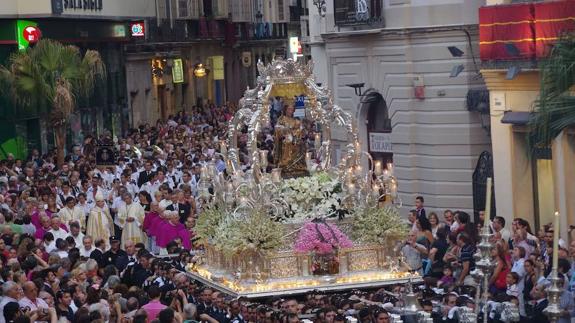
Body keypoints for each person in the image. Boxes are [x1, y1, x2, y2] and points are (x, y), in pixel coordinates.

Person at [273, 104, 309, 179]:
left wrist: (299, 131)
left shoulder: (295, 120)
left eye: (292, 109)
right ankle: (286, 164)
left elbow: (300, 129)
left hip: (295, 138)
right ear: (285, 110)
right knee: (288, 142)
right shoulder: (281, 119)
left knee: (301, 144)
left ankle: (298, 165)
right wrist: (284, 129)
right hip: (286, 139)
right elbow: (277, 129)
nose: (290, 111)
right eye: (289, 109)